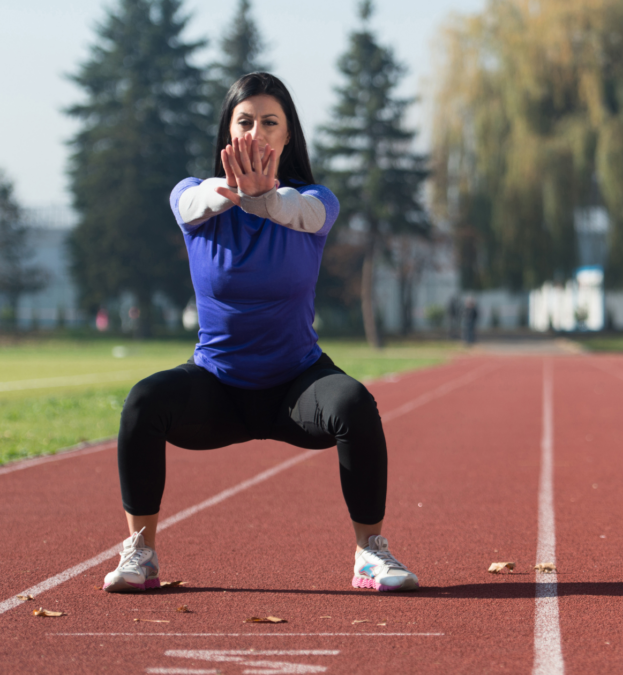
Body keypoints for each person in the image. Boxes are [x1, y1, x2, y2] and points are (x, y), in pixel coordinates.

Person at [102, 73, 418, 594]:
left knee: (355, 403)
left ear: (288, 135)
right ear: (227, 135)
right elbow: (192, 202)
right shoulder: (194, 201)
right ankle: (141, 552)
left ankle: (370, 554)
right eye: (245, 121)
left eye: (270, 123)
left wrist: (263, 196)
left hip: (295, 385)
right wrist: (235, 192)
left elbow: (297, 210)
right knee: (143, 401)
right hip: (217, 387)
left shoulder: (316, 203)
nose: (257, 132)